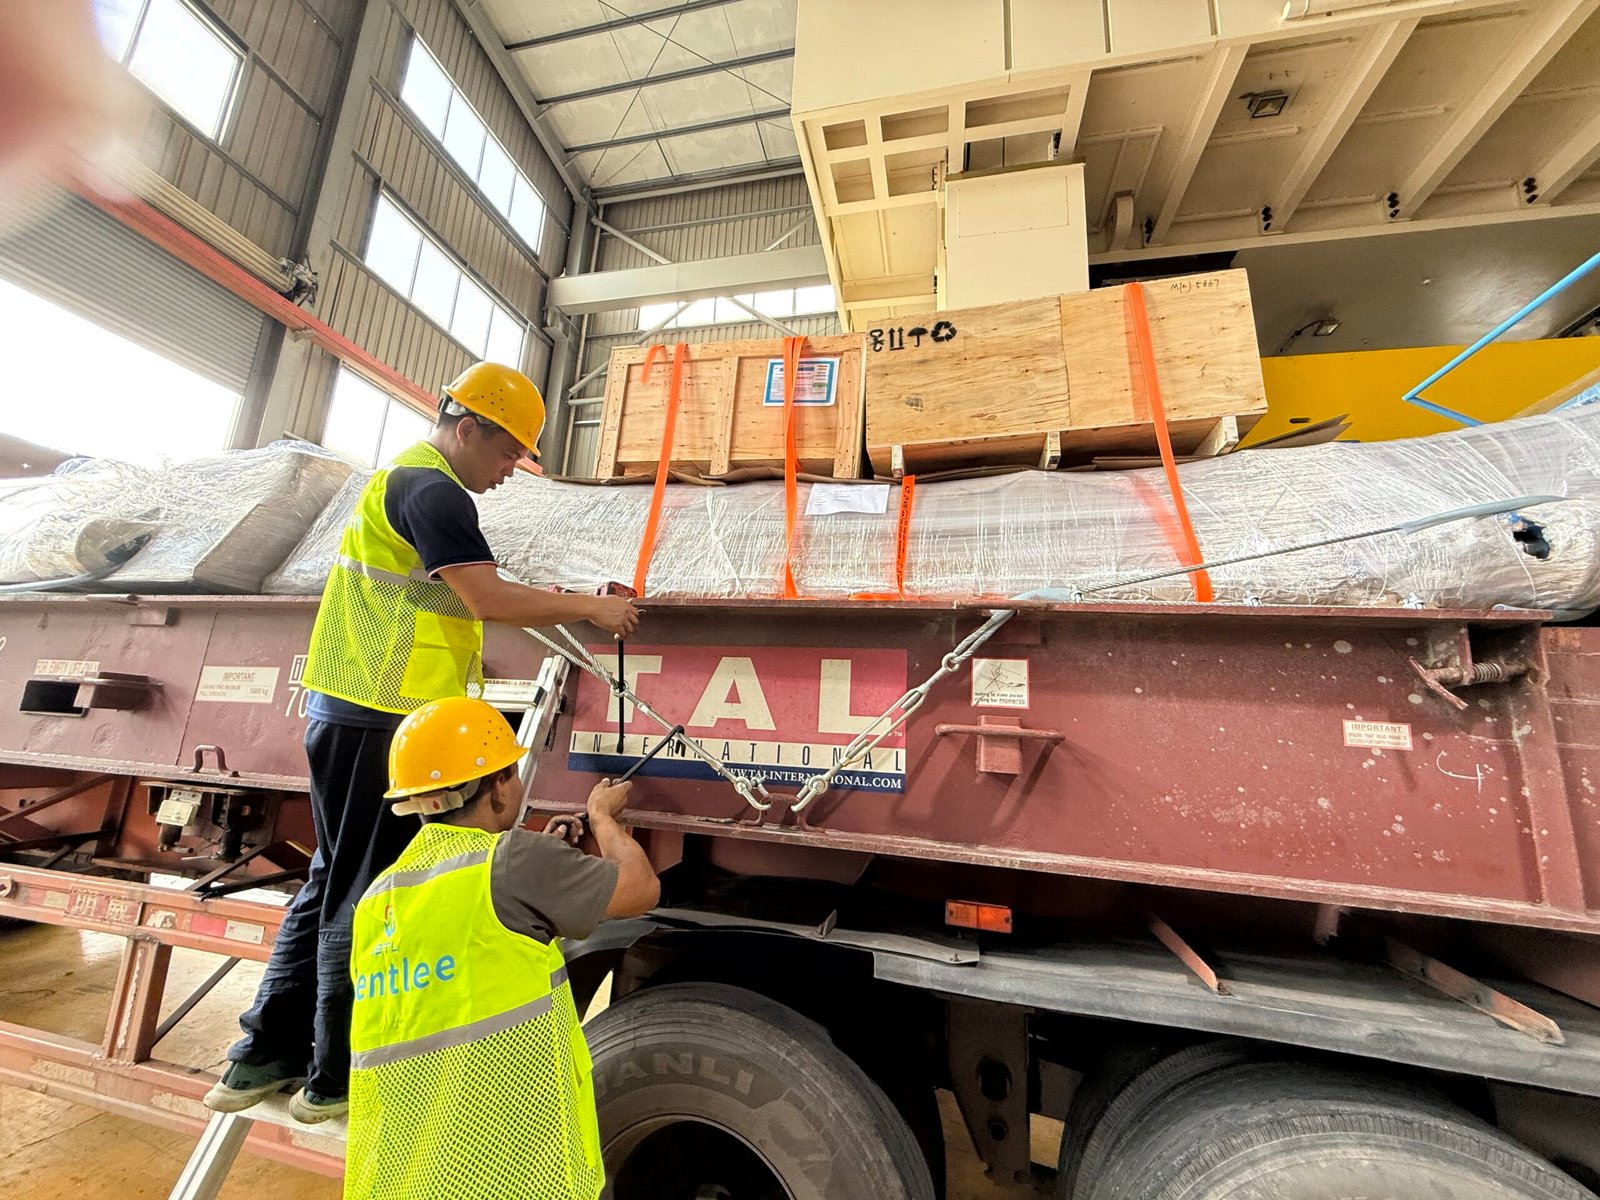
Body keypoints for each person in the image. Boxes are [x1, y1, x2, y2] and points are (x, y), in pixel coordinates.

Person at [205, 362, 640, 1121]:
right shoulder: (432, 489)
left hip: (354, 710)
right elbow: (487, 596)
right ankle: (334, 1075)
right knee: (365, 891)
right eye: (508, 452)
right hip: (383, 719)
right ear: (467, 427)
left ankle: (261, 1055)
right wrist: (590, 612)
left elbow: (453, 587)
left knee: (331, 878)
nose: (512, 471)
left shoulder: (407, 484)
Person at [344, 696, 659, 1200]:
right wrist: (603, 819)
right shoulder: (516, 864)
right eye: (509, 773)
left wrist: (545, 866)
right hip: (508, 1162)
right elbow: (640, 889)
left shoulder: (378, 898)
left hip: (404, 1171)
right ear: (495, 792)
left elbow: (481, 957)